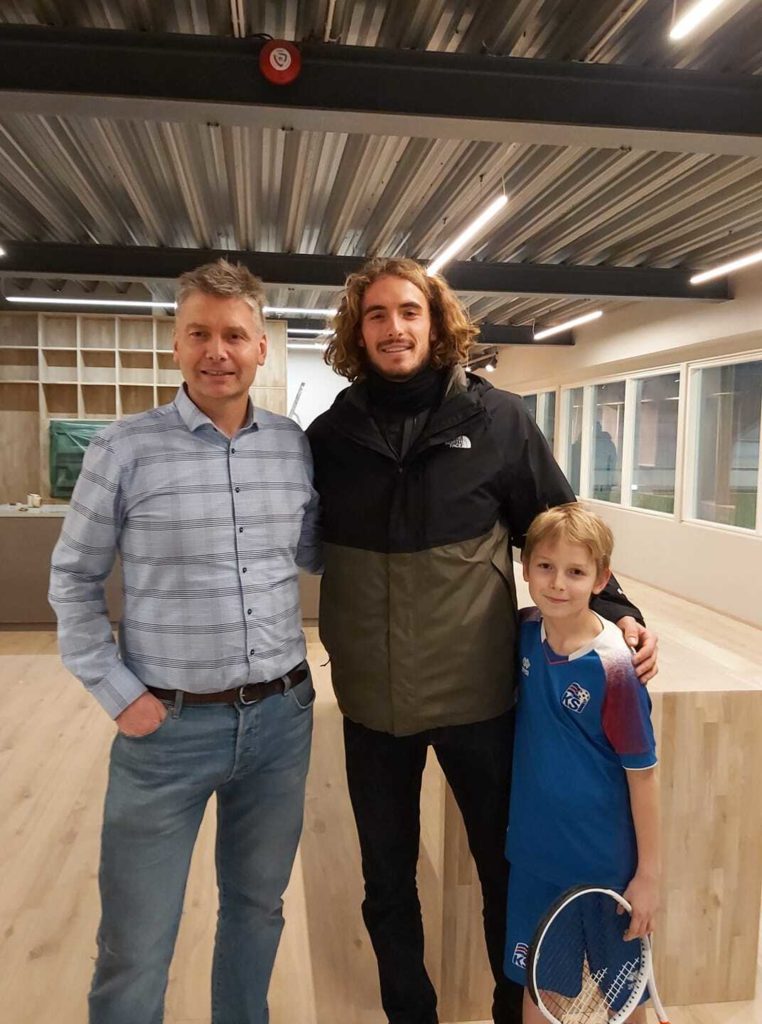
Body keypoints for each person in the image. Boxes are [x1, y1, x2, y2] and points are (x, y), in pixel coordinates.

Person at [306, 257, 657, 1024]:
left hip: (480, 699)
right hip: (372, 705)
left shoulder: (497, 421)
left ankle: (513, 1010)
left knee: (506, 873)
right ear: (356, 331)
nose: (393, 327)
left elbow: (562, 522)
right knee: (387, 883)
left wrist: (620, 607)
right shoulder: (330, 436)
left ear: (435, 325)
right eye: (376, 315)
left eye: (408, 312)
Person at [48, 259, 320, 1024]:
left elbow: (314, 554)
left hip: (279, 723)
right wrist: (116, 692)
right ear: (176, 342)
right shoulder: (124, 449)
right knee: (136, 943)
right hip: (163, 729)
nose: (217, 351)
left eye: (234, 334)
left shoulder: (293, 448)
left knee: (257, 912)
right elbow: (71, 579)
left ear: (262, 346)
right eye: (199, 333)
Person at [505, 503, 659, 1024]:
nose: (557, 583)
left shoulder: (617, 666)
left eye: (576, 571)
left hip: (605, 869)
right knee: (540, 997)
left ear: (601, 579)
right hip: (535, 862)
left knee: (625, 1001)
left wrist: (648, 876)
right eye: (545, 567)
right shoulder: (524, 631)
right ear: (524, 569)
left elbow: (644, 778)